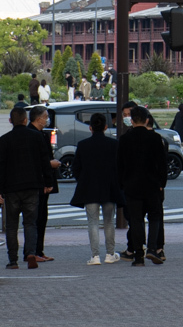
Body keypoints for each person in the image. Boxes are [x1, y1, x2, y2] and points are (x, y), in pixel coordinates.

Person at [0, 106, 52, 269]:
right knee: (31, 222)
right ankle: (31, 253)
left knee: (12, 225)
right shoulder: (36, 137)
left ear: (10, 121)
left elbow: (1, 167)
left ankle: (13, 260)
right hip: (32, 186)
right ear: (26, 120)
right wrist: (48, 182)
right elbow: (44, 161)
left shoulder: (4, 140)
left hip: (11, 188)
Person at [69, 112, 124, 265]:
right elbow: (120, 167)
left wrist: (83, 180)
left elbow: (76, 168)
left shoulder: (83, 145)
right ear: (106, 127)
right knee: (109, 222)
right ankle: (110, 254)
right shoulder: (114, 144)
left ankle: (95, 256)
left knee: (92, 222)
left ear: (90, 127)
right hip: (109, 188)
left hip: (89, 188)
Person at [118, 106, 168, 266]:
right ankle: (152, 249)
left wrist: (122, 183)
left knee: (136, 220)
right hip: (152, 185)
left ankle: (138, 255)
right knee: (154, 217)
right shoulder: (155, 138)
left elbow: (119, 165)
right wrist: (161, 183)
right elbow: (162, 163)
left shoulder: (125, 139)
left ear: (131, 120)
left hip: (132, 185)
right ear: (147, 120)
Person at [27, 105, 59, 262]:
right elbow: (37, 160)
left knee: (40, 216)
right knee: (37, 217)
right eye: (46, 117)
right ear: (38, 118)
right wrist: (50, 164)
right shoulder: (33, 135)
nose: (47, 120)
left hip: (41, 181)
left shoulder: (41, 134)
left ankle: (38, 250)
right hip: (38, 182)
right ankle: (34, 251)